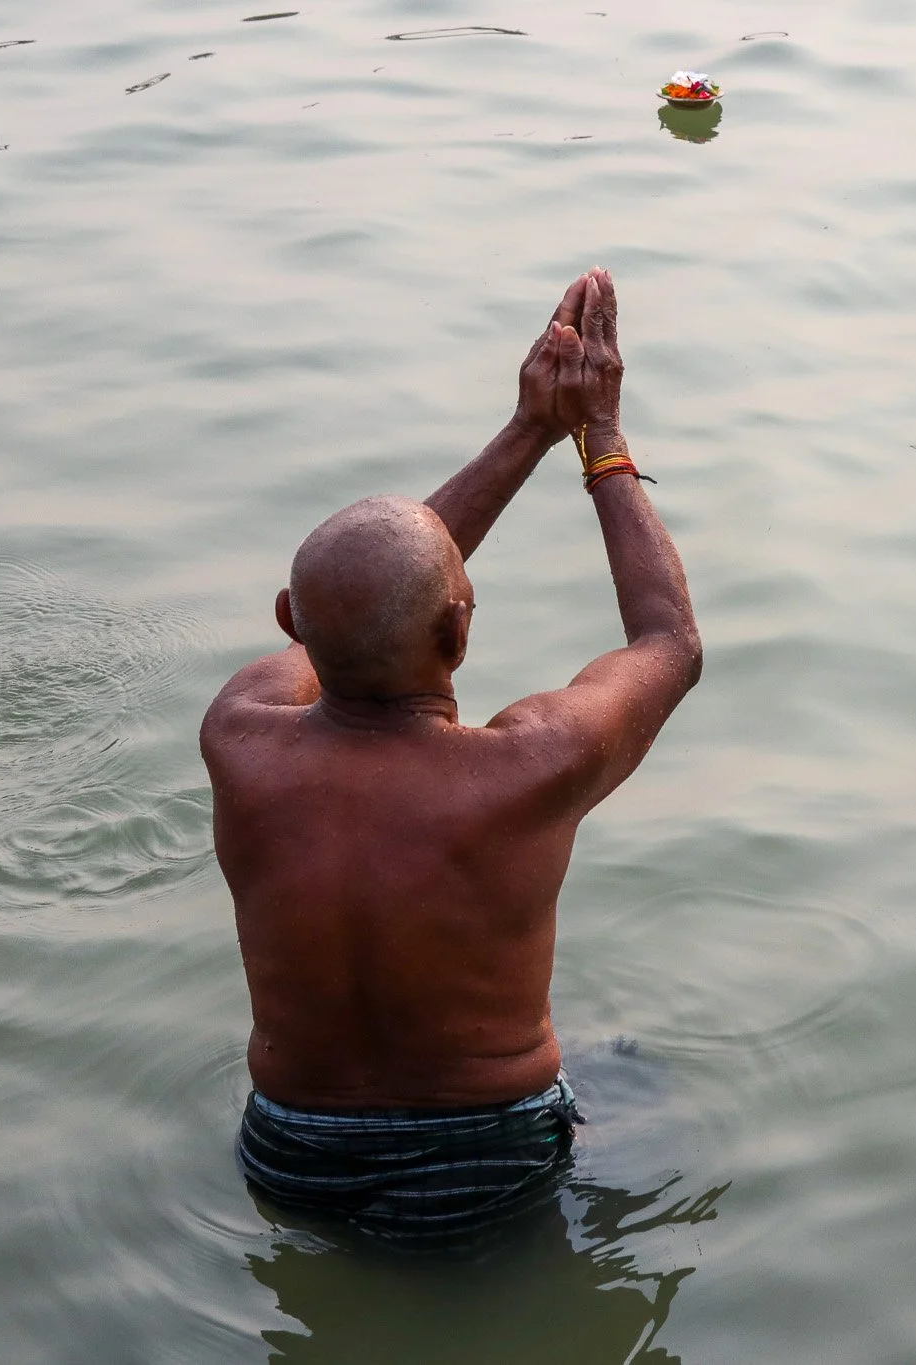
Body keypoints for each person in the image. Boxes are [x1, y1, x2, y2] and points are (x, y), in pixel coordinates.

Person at [200, 269, 701, 1249]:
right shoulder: (529, 765)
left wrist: (523, 430)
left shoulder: (239, 733)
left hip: (287, 1148)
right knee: (637, 1075)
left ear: (288, 623)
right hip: (486, 1151)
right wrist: (596, 437)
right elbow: (667, 644)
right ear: (460, 632)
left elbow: (374, 591)